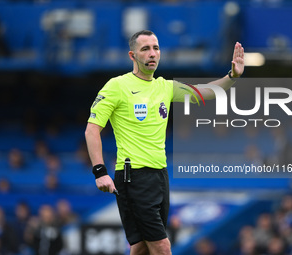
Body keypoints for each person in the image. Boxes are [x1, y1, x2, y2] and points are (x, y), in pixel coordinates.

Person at [85, 30, 244, 255]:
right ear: (132, 55)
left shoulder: (165, 87)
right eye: (145, 49)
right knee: (161, 245)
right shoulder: (116, 86)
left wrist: (232, 76)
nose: (152, 54)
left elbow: (205, 92)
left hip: (160, 175)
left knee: (141, 247)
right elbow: (92, 130)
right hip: (134, 176)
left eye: (156, 48)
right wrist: (100, 171)